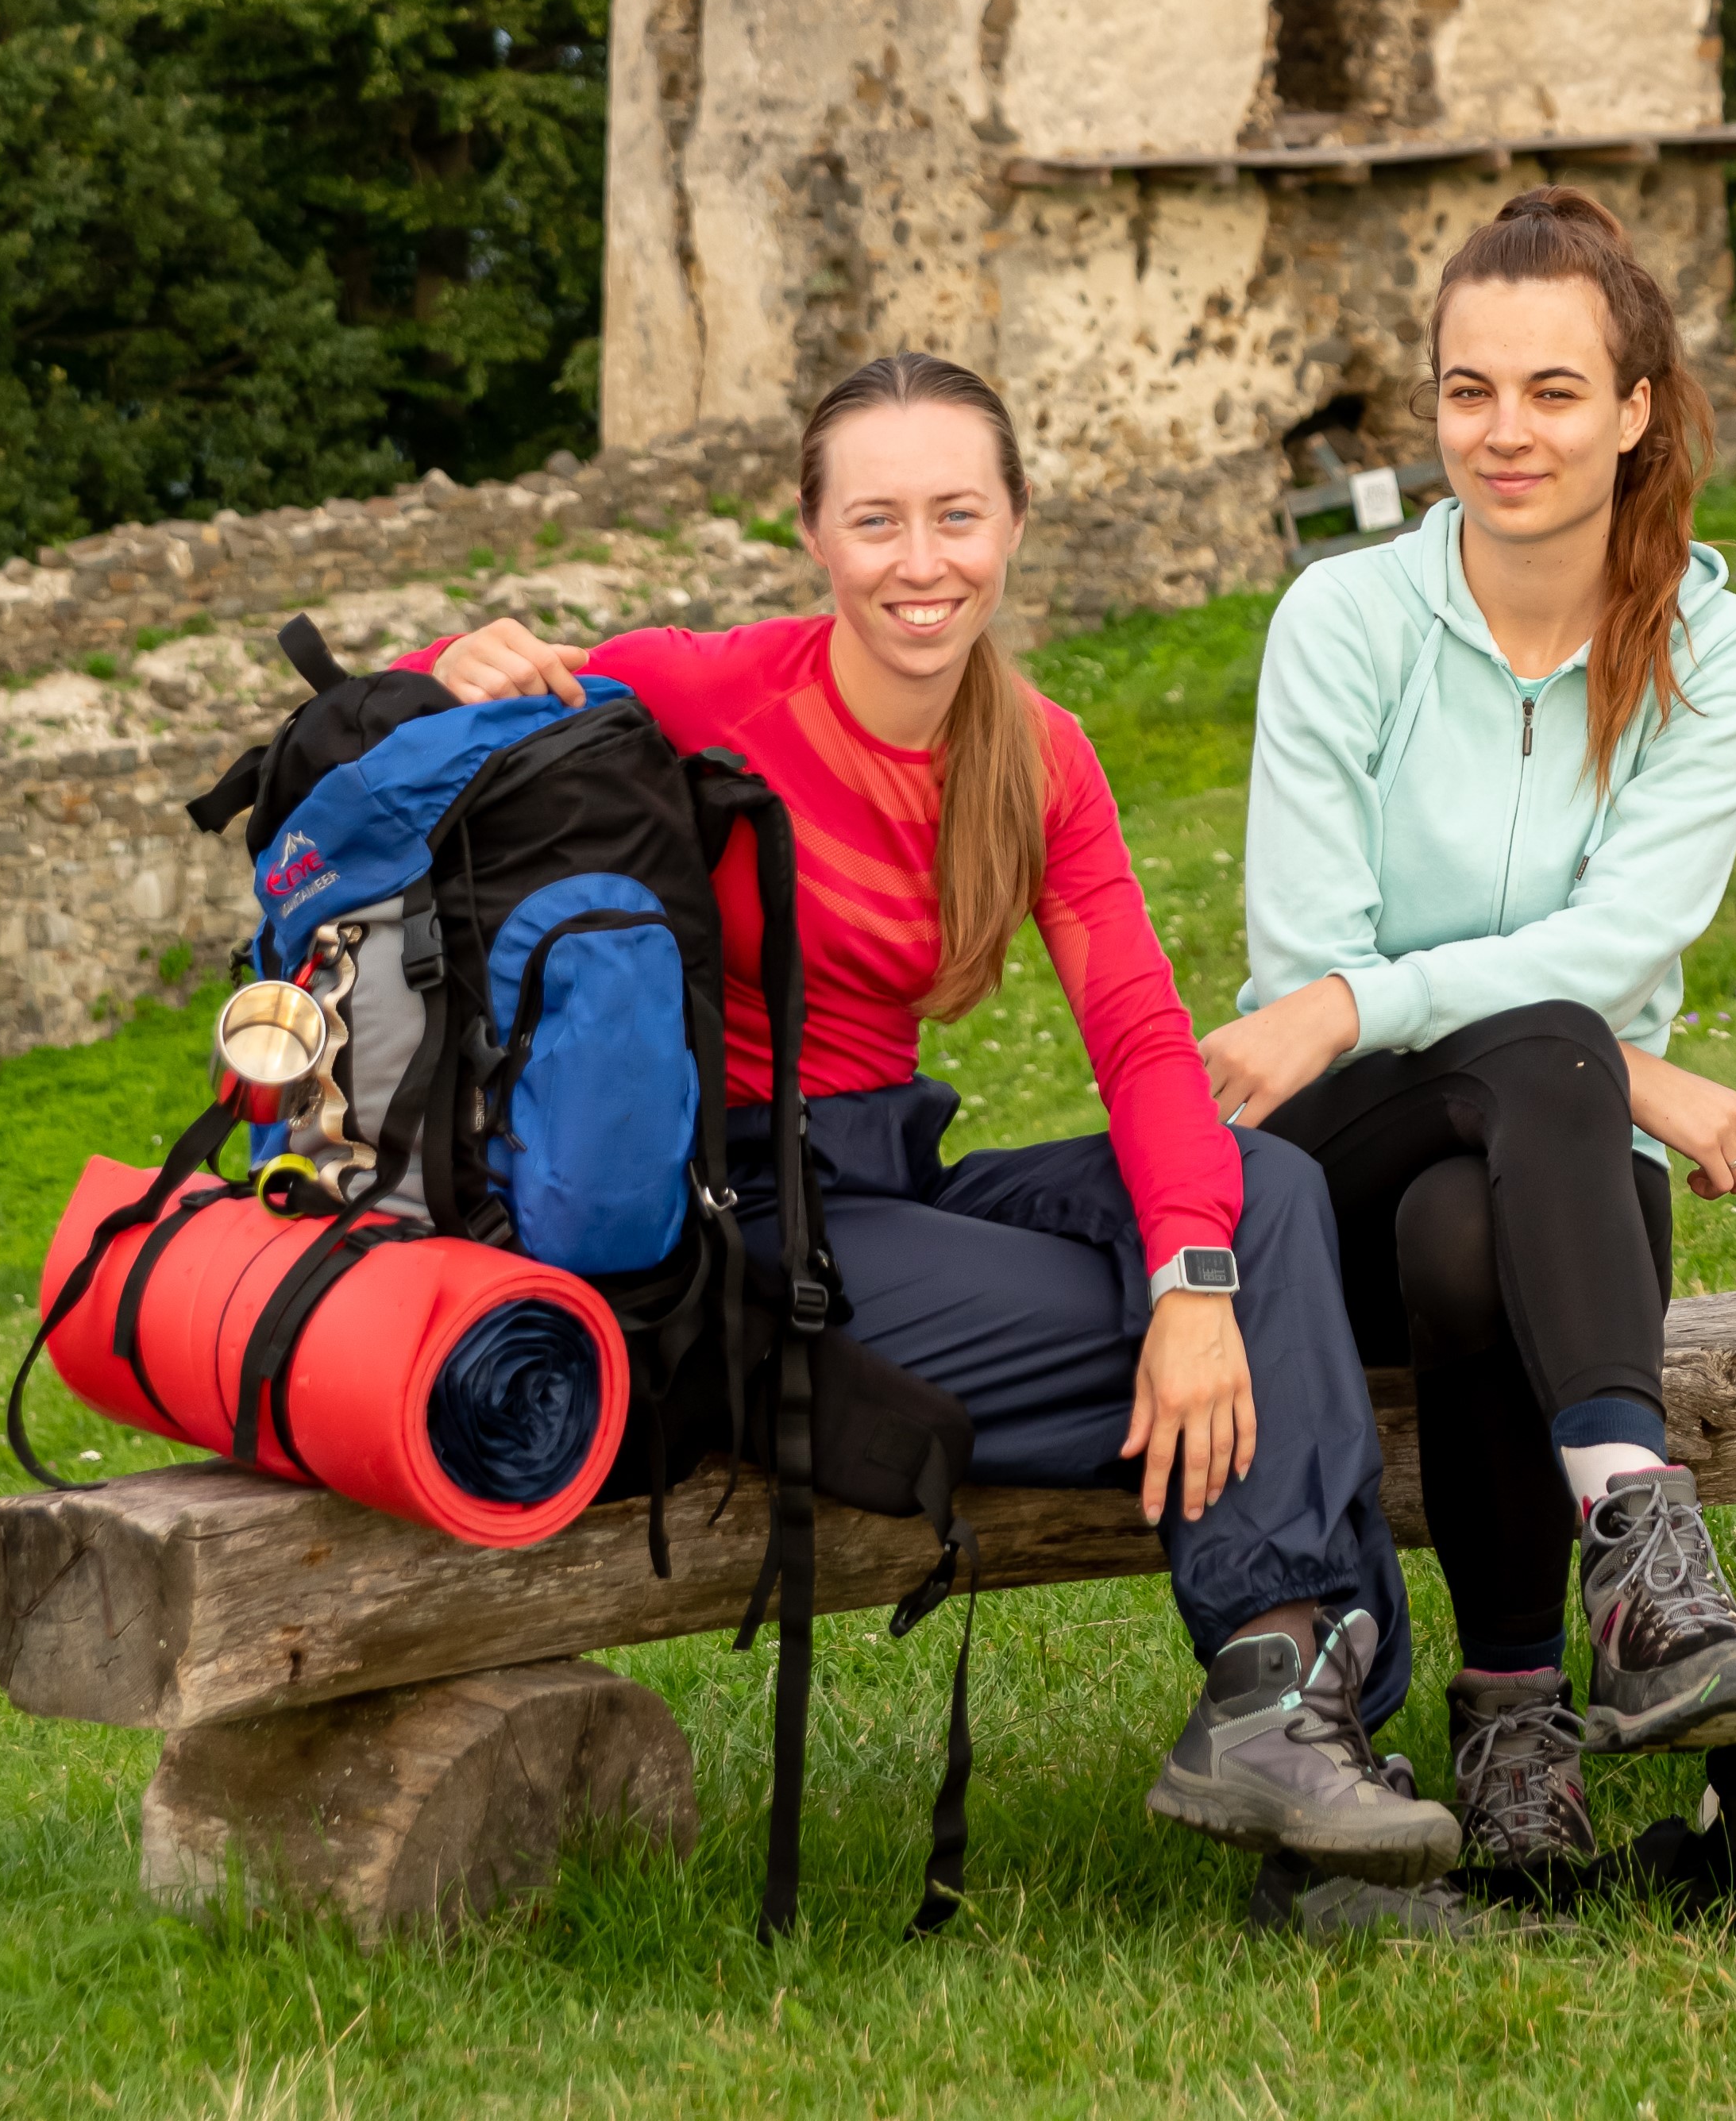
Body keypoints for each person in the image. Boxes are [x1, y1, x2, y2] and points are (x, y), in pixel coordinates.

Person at [405, 351, 1460, 1898]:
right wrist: (456, 656)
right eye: (878, 520)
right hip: (751, 1230)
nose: (920, 562)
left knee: (1262, 1193)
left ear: (1013, 523)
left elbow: (1138, 1039)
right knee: (1268, 1346)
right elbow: (452, 705)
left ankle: (1278, 1713)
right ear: (816, 537)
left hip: (895, 1177)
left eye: (955, 515)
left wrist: (1189, 1280)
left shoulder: (1036, 757)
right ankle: (1324, 1776)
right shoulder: (710, 686)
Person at [1205, 187, 1736, 1891]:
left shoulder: (1714, 651)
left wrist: (1451, 1010)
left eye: (1550, 390)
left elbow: (1620, 942)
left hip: (1544, 1191)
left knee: (1493, 1192)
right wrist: (1625, 1059)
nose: (1503, 431)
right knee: (1553, 1052)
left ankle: (1514, 1712)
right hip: (1331, 1171)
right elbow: (1309, 974)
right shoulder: (1345, 625)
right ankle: (1634, 1535)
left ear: (1632, 411)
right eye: (1469, 389)